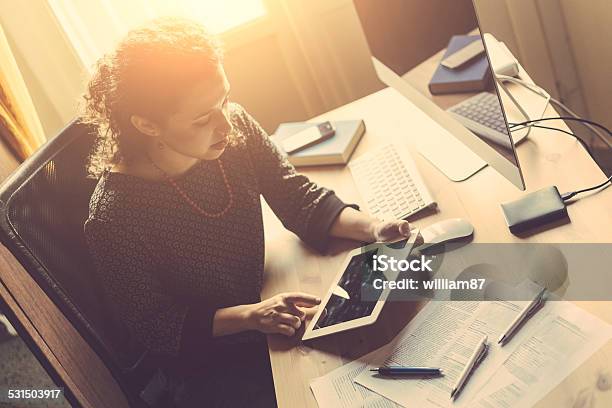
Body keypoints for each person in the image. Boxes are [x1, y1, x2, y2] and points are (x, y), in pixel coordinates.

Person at [82, 17, 411, 408]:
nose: (225, 122)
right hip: (212, 358)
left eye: (223, 99)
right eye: (203, 118)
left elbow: (295, 196)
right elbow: (158, 327)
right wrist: (251, 316)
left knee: (397, 339)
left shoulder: (234, 126)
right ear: (147, 124)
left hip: (268, 308)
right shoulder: (113, 218)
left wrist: (375, 228)